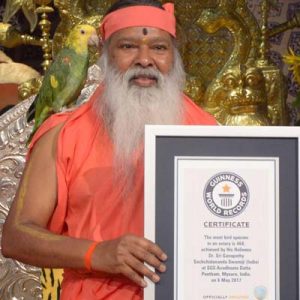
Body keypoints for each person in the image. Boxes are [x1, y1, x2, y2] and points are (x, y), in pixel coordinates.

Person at [1, 0, 216, 299]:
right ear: (105, 55)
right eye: (128, 47)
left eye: (159, 47)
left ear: (174, 57)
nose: (145, 59)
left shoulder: (209, 133)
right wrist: (97, 253)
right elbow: (16, 237)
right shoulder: (62, 134)